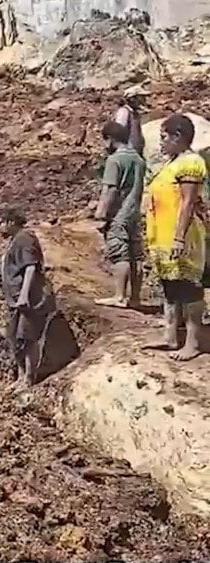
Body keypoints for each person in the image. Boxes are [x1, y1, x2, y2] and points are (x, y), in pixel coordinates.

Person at [143, 114, 207, 361]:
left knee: (188, 287)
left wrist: (179, 237)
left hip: (183, 235)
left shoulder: (190, 162)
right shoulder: (173, 163)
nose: (161, 143)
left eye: (164, 137)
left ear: (178, 136)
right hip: (164, 235)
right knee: (170, 286)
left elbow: (188, 202)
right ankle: (169, 335)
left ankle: (193, 342)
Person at [0, 208, 57, 387]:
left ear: (10, 222)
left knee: (27, 338)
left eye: (0, 222)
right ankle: (21, 376)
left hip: (30, 299)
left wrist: (24, 296)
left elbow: (30, 267)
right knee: (14, 338)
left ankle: (29, 379)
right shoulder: (16, 240)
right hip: (17, 300)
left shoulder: (24, 238)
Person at [94, 121, 147, 308]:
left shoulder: (114, 160)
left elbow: (110, 189)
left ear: (110, 139)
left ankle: (119, 296)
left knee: (120, 253)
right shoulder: (139, 159)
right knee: (136, 255)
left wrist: (101, 215)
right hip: (135, 212)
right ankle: (135, 298)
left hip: (119, 213)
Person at [114, 85, 148, 155]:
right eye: (141, 97)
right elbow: (119, 131)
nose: (144, 99)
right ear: (132, 99)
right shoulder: (124, 112)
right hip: (127, 153)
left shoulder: (134, 113)